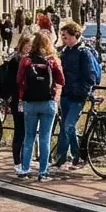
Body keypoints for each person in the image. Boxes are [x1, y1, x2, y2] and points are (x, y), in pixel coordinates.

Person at [54, 20, 102, 170]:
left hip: (77, 97)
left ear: (75, 36)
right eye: (62, 36)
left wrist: (81, 92)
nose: (63, 39)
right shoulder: (65, 52)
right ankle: (78, 157)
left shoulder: (84, 52)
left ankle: (60, 159)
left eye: (66, 36)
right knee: (69, 127)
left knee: (67, 126)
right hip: (65, 95)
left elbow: (90, 76)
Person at [16, 32, 65, 182]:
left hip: (30, 103)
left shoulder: (26, 61)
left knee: (29, 137)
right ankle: (43, 173)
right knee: (45, 138)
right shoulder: (52, 61)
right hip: (48, 103)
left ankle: (24, 169)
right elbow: (61, 81)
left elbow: (19, 80)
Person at [0, 34, 33, 171]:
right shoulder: (16, 60)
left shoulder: (30, 59)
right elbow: (11, 81)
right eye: (28, 45)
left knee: (28, 130)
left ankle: (25, 159)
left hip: (27, 100)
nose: (29, 47)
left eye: (31, 45)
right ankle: (18, 161)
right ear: (22, 44)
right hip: (18, 100)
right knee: (20, 130)